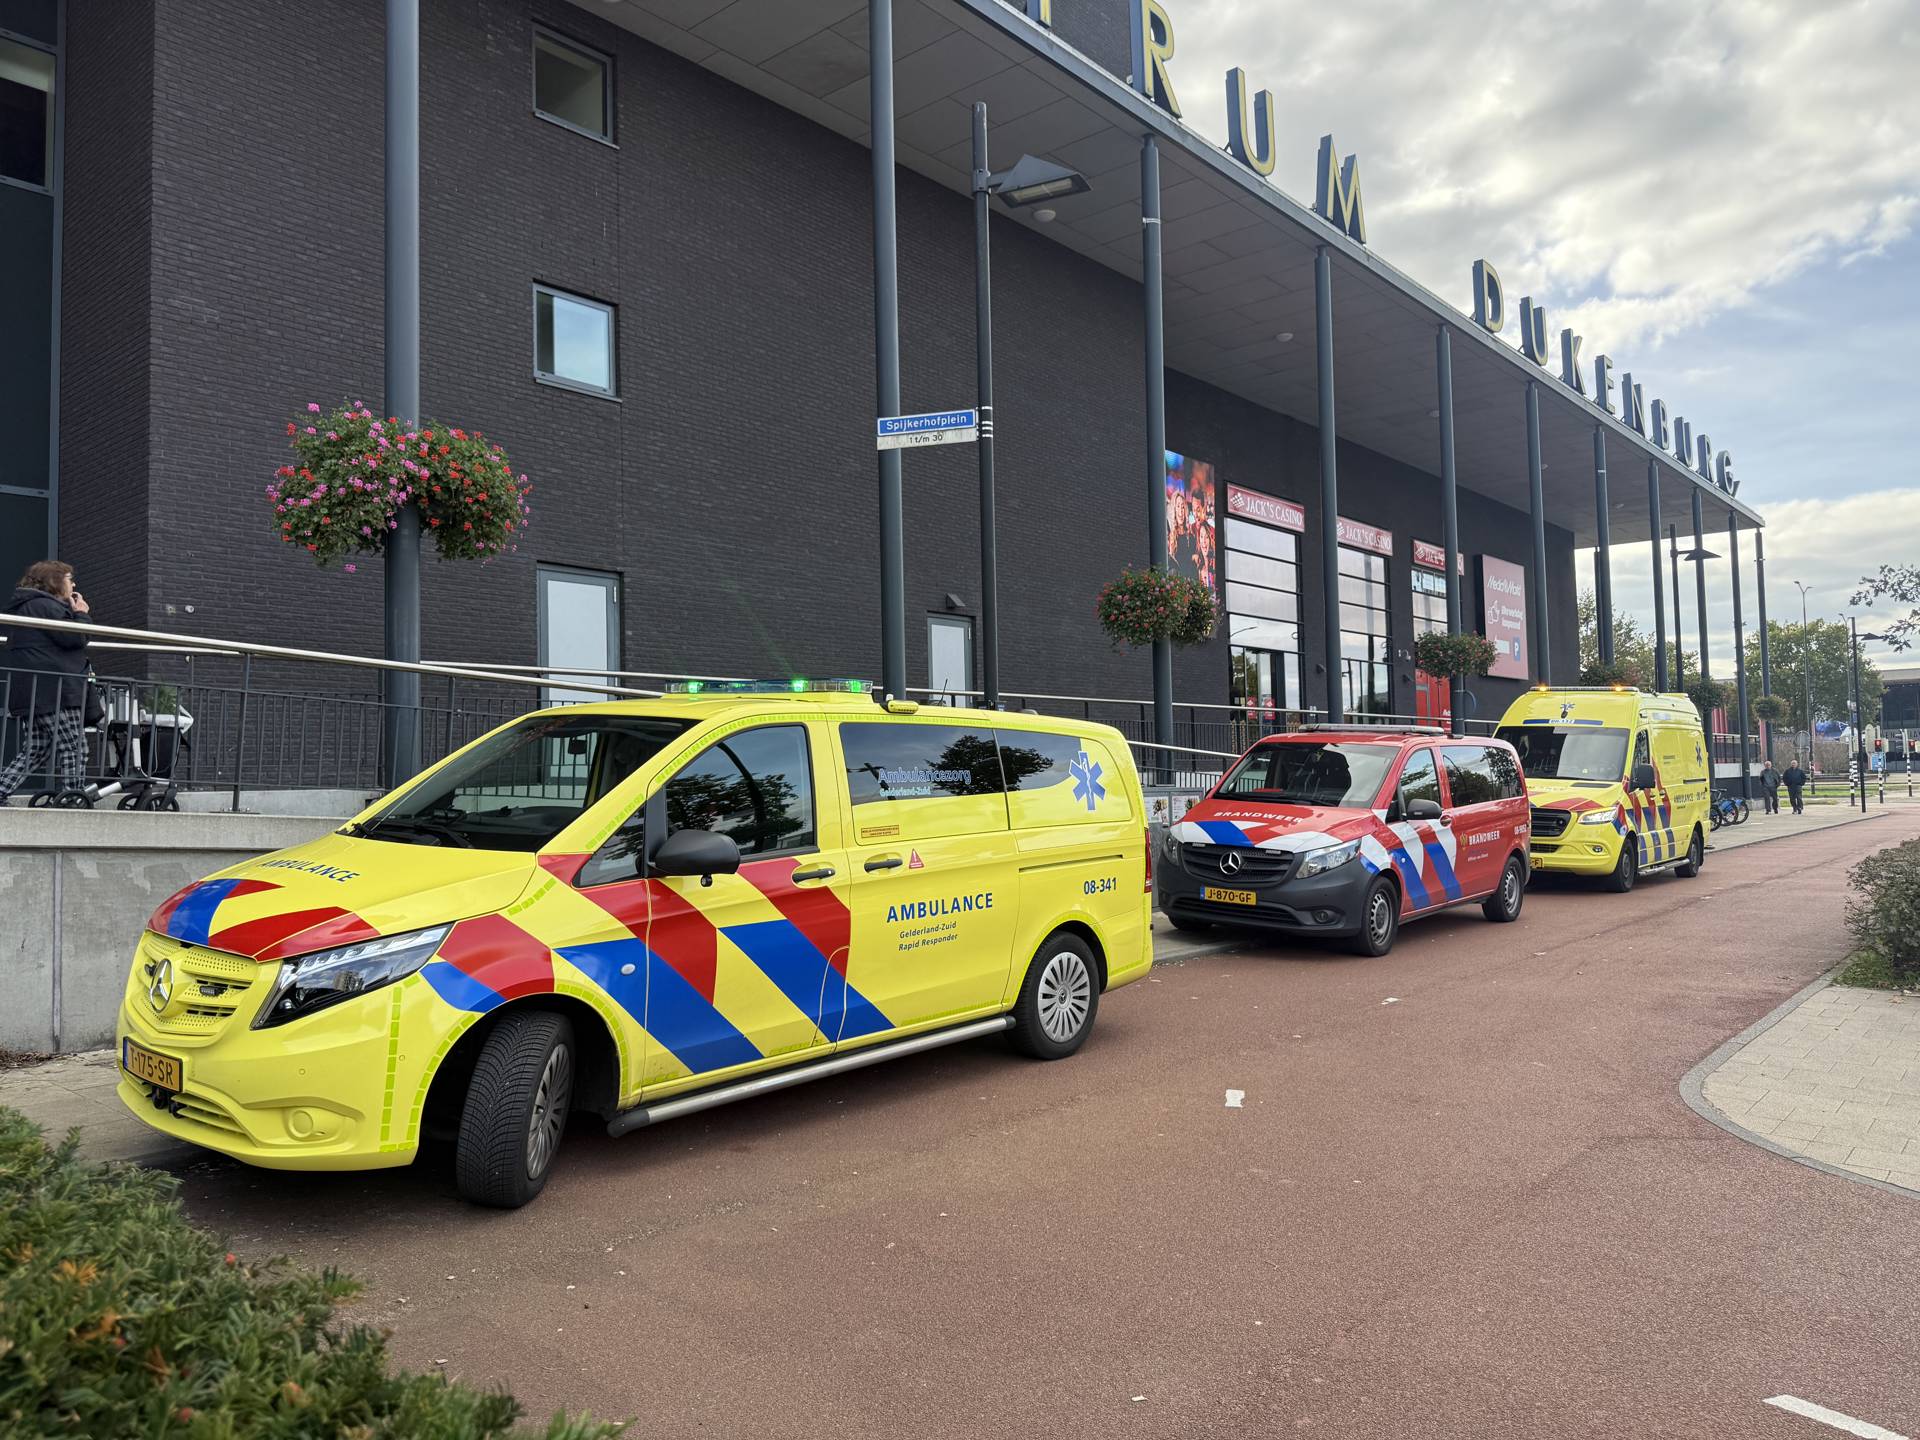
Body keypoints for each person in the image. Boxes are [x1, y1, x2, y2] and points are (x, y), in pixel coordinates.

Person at [0, 561, 94, 805]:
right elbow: (75, 639)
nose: (73, 584)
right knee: (76, 748)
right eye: (69, 579)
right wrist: (81, 614)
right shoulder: (46, 606)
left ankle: (1, 790)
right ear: (55, 581)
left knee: (36, 750)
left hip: (33, 692)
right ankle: (74, 799)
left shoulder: (27, 606)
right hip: (56, 692)